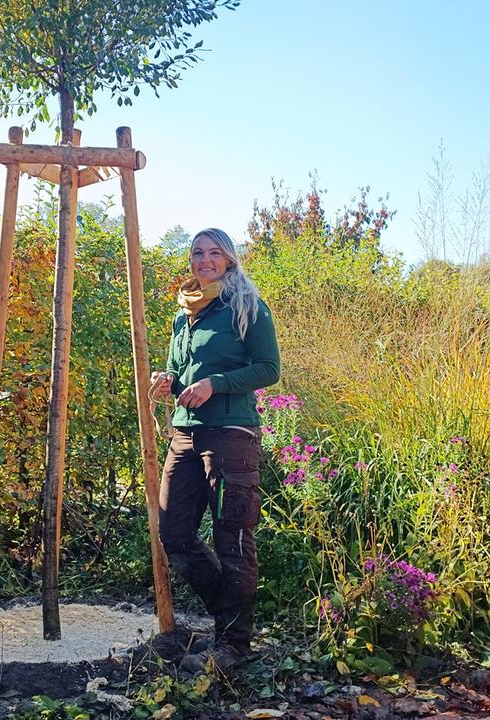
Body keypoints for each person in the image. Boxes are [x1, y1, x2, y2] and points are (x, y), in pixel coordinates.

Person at [151, 228, 281, 673]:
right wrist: (168, 380)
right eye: (197, 253)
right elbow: (179, 369)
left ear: (229, 259)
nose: (204, 259)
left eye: (214, 252)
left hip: (231, 435)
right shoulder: (184, 312)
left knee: (233, 539)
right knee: (174, 534)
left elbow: (269, 369)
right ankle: (228, 619)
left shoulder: (246, 306)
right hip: (185, 434)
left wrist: (216, 384)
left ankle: (233, 645)